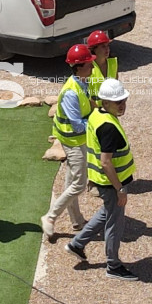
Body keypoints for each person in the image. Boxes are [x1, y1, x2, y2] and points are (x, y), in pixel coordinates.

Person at [65, 77, 137, 280]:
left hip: (102, 180)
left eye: (123, 100)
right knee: (115, 222)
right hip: (112, 182)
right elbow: (106, 162)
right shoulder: (109, 127)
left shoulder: (97, 114)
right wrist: (120, 189)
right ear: (106, 103)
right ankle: (113, 265)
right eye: (118, 102)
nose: (122, 105)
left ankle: (77, 244)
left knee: (107, 212)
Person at [42, 44, 95, 239]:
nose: (92, 66)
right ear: (78, 66)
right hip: (73, 141)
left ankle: (77, 221)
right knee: (79, 184)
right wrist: (98, 118)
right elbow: (78, 125)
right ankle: (50, 217)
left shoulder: (82, 83)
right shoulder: (72, 92)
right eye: (89, 64)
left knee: (71, 180)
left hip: (75, 140)